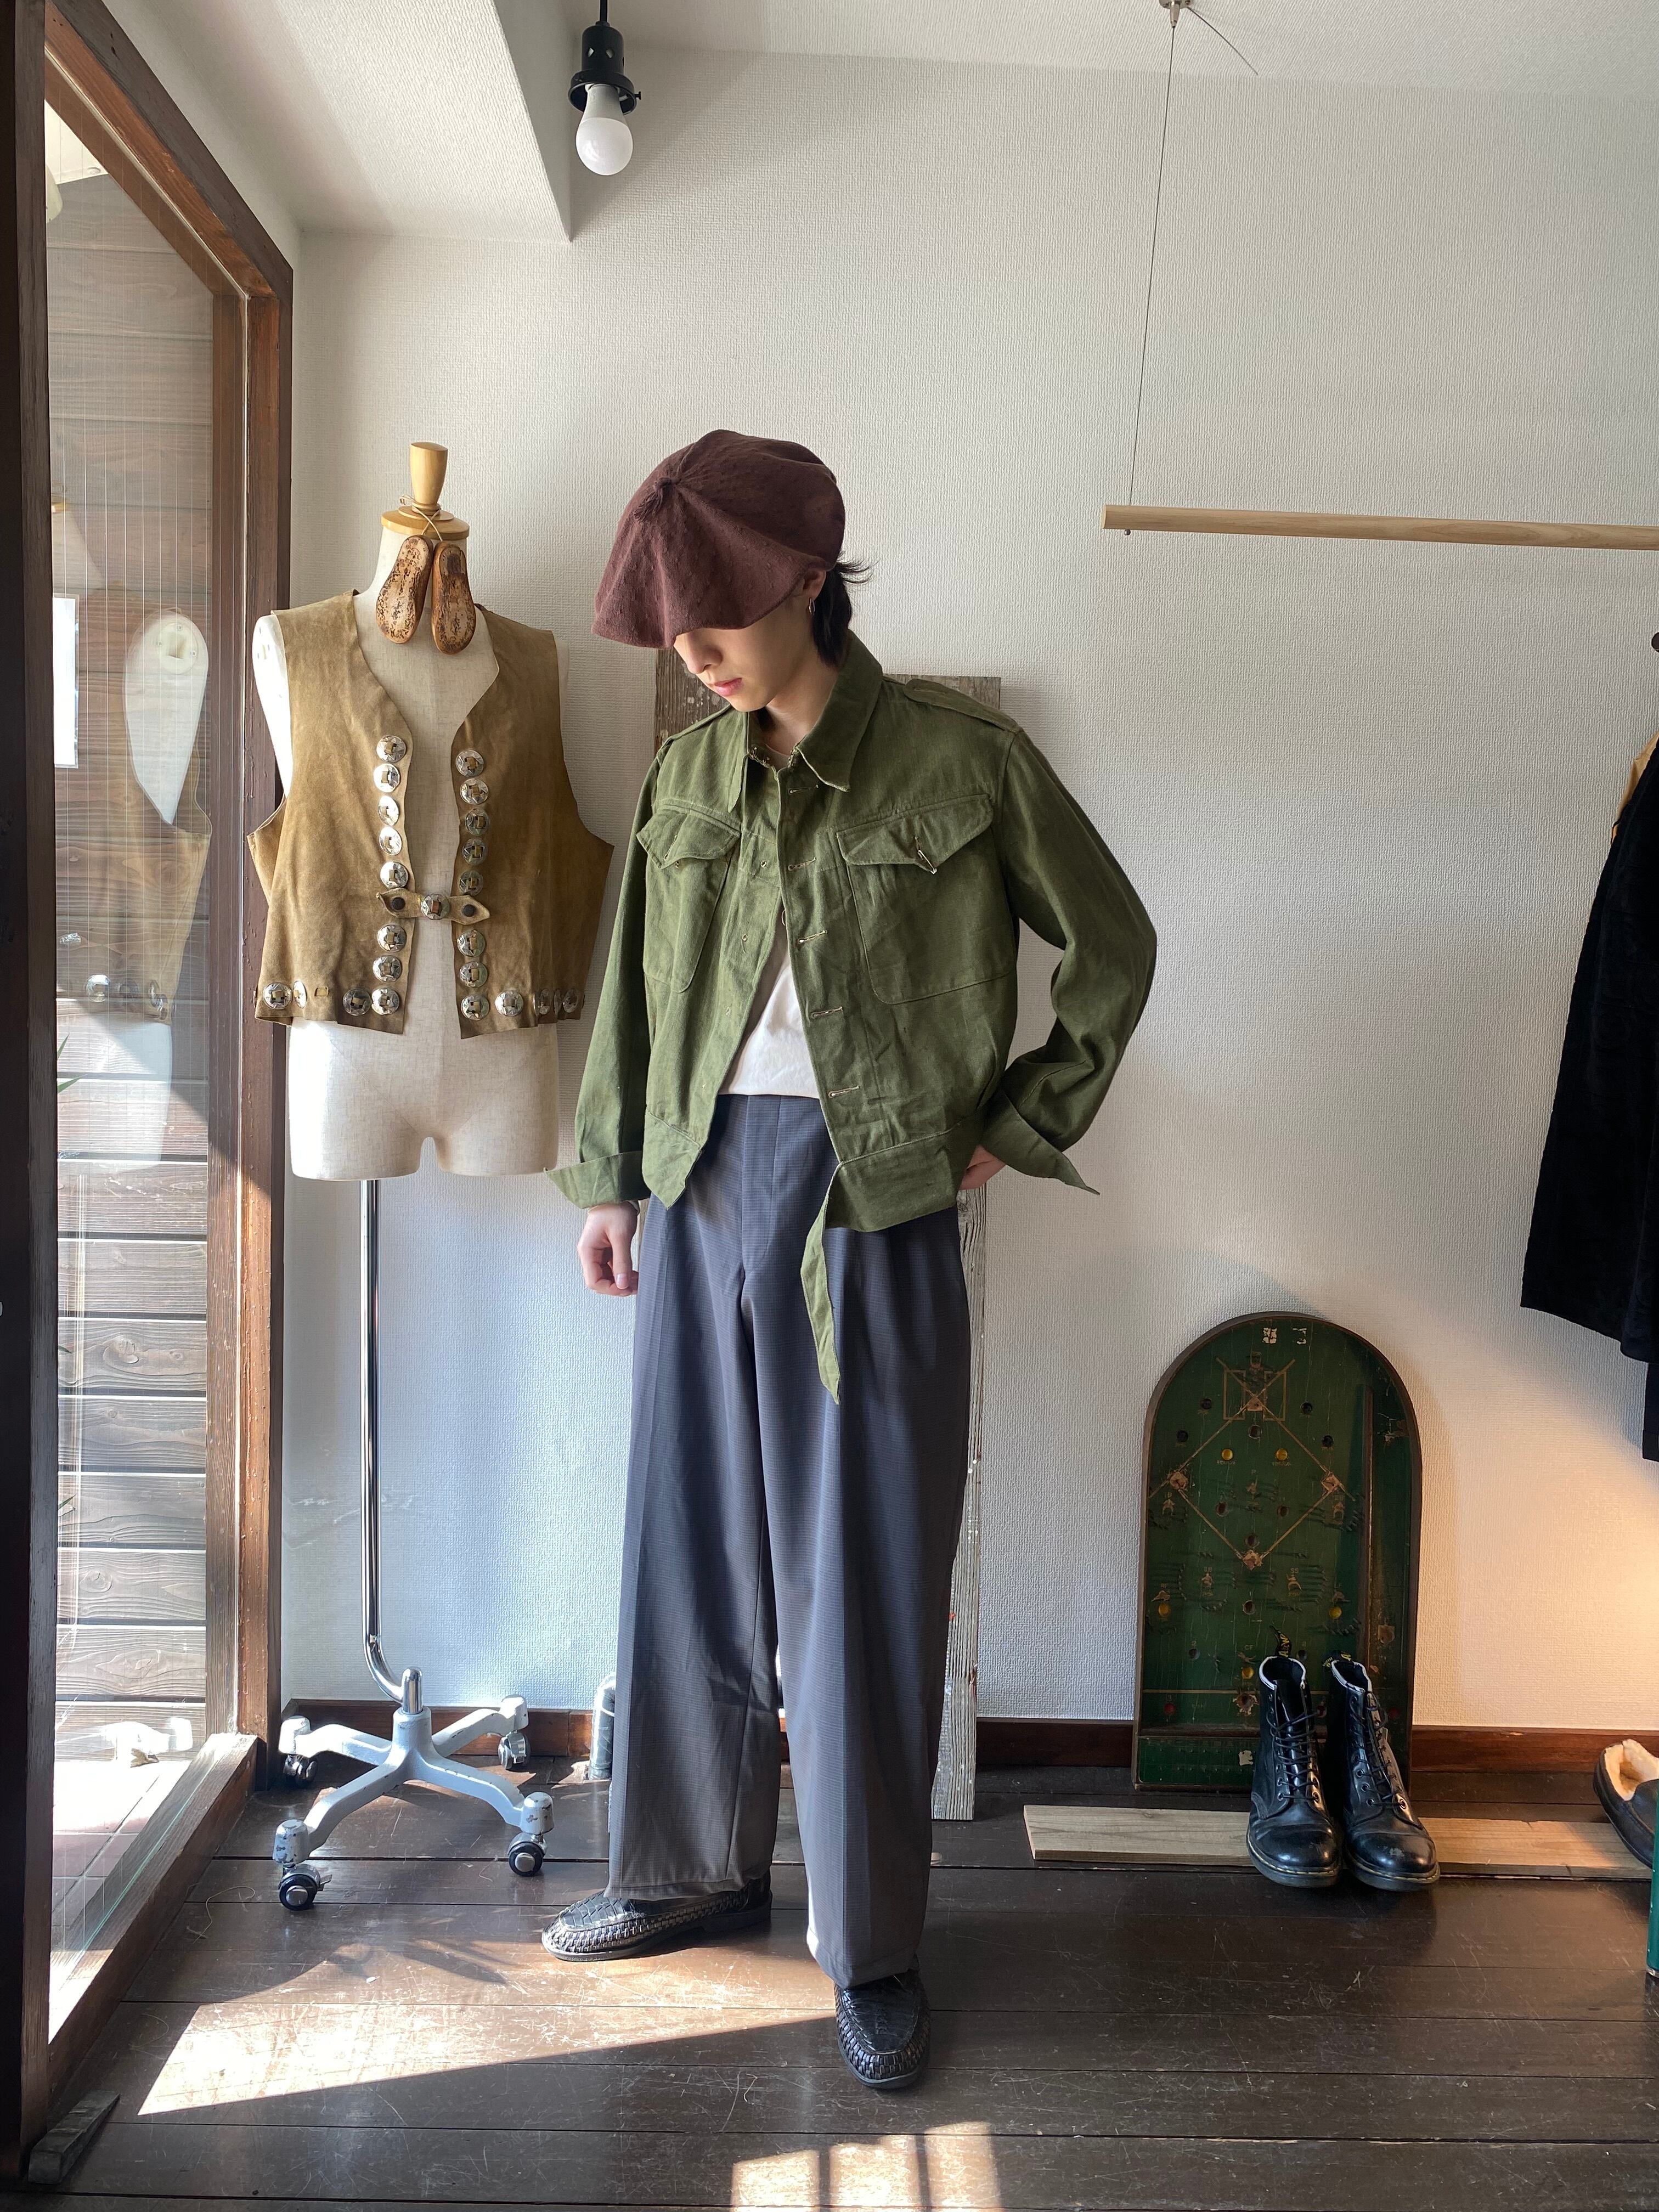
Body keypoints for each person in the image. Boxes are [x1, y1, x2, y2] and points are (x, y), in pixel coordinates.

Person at [545, 430, 1156, 2089]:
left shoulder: (965, 761)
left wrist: (1020, 1122)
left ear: (809, 577)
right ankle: (686, 1868)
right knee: (688, 1546)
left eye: (718, 612)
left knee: (863, 1575)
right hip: (696, 1190)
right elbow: (633, 986)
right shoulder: (688, 777)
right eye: (672, 623)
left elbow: (1112, 948)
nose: (693, 647)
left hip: (870, 1200)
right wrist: (609, 1181)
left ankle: (871, 1944)